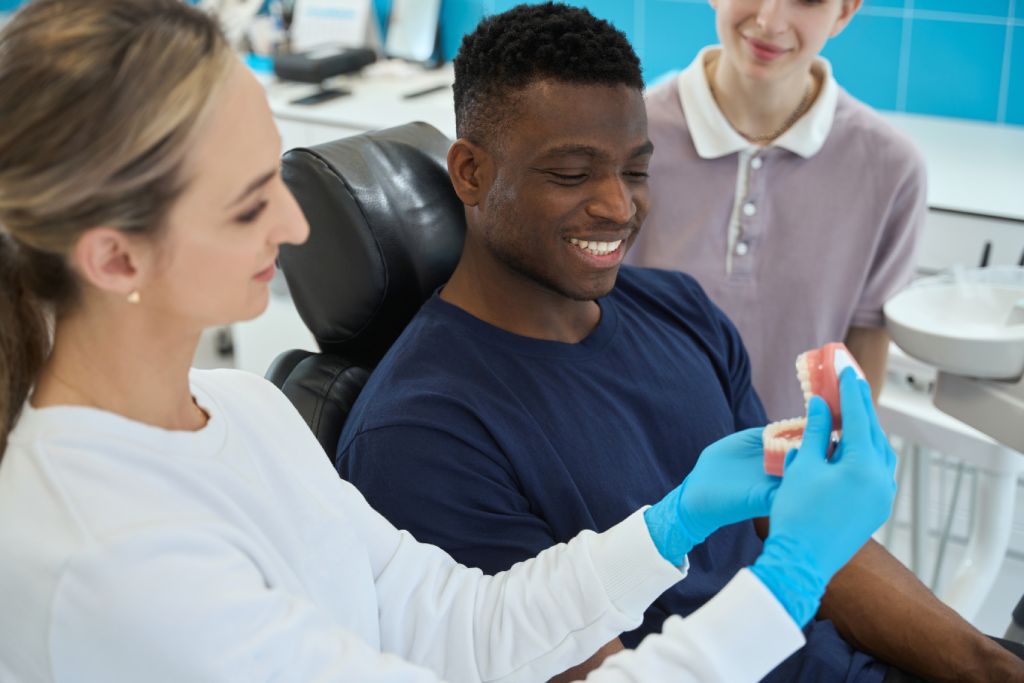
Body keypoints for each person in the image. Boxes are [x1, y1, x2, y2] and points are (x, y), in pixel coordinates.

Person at [0, 1, 900, 681]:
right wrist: (790, 577)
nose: (296, 225)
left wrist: (672, 523)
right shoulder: (109, 561)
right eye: (247, 201)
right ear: (116, 256)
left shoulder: (241, 411)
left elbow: (456, 618)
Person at [337, 4, 1024, 683]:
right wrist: (792, 575)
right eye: (573, 173)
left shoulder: (679, 311)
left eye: (635, 170)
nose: (618, 205)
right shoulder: (420, 436)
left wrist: (990, 667)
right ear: (471, 173)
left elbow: (795, 526)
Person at [625, 0, 926, 421]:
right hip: (643, 459)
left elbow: (865, 343)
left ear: (844, 11)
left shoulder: (890, 167)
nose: (769, 20)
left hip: (793, 466)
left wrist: (839, 469)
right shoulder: (627, 137)